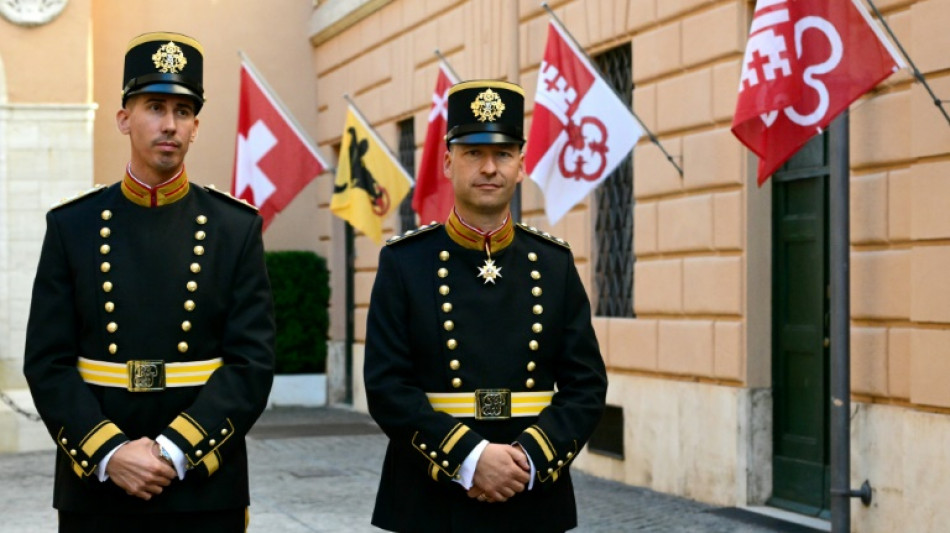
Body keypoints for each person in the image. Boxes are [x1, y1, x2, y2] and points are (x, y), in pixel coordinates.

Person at [22, 32, 275, 532]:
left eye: (183, 112)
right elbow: (48, 362)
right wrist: (110, 452)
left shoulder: (234, 227)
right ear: (123, 118)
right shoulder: (72, 226)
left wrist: (176, 450)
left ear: (196, 127)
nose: (169, 125)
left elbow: (251, 362)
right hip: (98, 484)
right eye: (155, 106)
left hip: (202, 483)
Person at [363, 79, 608, 532]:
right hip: (430, 496)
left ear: (521, 163)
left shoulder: (553, 264)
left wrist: (528, 459)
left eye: (503, 153)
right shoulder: (404, 263)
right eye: (474, 153)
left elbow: (586, 385)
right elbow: (386, 386)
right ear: (448, 161)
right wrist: (470, 458)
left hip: (533, 492)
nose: (489, 167)